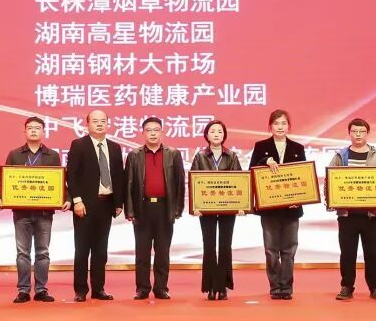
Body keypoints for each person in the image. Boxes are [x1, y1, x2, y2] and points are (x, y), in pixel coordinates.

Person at [0, 116, 67, 304]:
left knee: (43, 252)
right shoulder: (15, 154)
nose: (34, 130)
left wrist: (66, 199)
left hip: (44, 213)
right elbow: (5, 180)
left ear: (43, 132)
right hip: (21, 212)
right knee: (22, 253)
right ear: (25, 132)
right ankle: (23, 290)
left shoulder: (52, 155)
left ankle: (41, 289)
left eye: (37, 128)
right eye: (30, 128)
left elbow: (60, 181)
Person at [327, 118, 376, 301]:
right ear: (349, 133)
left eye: (362, 131)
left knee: (373, 253)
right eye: (354, 131)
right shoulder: (340, 156)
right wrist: (332, 201)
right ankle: (346, 286)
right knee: (347, 253)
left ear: (367, 133)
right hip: (347, 215)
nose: (358, 135)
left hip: (372, 215)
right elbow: (330, 181)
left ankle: (375, 287)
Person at [65, 109, 124, 302]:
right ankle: (81, 290)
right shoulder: (79, 145)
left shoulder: (114, 147)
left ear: (107, 124)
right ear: (88, 124)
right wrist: (77, 200)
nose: (99, 124)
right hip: (84, 205)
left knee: (101, 250)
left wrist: (119, 202)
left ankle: (98, 289)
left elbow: (118, 176)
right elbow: (72, 175)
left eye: (103, 121)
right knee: (82, 250)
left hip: (106, 204)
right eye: (95, 121)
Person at [125, 117, 185, 300]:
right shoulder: (134, 155)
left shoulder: (173, 154)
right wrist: (130, 210)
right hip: (142, 208)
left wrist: (177, 209)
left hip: (164, 208)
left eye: (156, 130)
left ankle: (161, 288)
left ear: (162, 132)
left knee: (163, 251)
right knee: (142, 252)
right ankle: (142, 288)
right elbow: (129, 184)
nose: (152, 133)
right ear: (143, 133)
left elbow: (180, 183)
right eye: (149, 130)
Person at [249, 109, 306, 300]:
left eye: (283, 123)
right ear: (270, 126)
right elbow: (251, 170)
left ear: (289, 126)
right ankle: (275, 286)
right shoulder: (261, 146)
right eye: (276, 123)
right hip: (269, 209)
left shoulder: (298, 148)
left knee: (289, 250)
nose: (280, 127)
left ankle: (286, 287)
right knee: (271, 250)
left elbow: (303, 176)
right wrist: (266, 160)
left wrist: (299, 198)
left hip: (291, 208)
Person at [190, 119, 241, 300]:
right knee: (209, 247)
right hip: (206, 209)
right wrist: (195, 206)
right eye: (213, 131)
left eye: (220, 131)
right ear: (207, 135)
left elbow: (240, 181)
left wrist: (240, 206)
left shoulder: (232, 156)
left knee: (225, 247)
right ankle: (211, 286)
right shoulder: (200, 156)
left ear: (224, 135)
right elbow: (194, 182)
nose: (216, 134)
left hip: (228, 208)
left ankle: (223, 286)